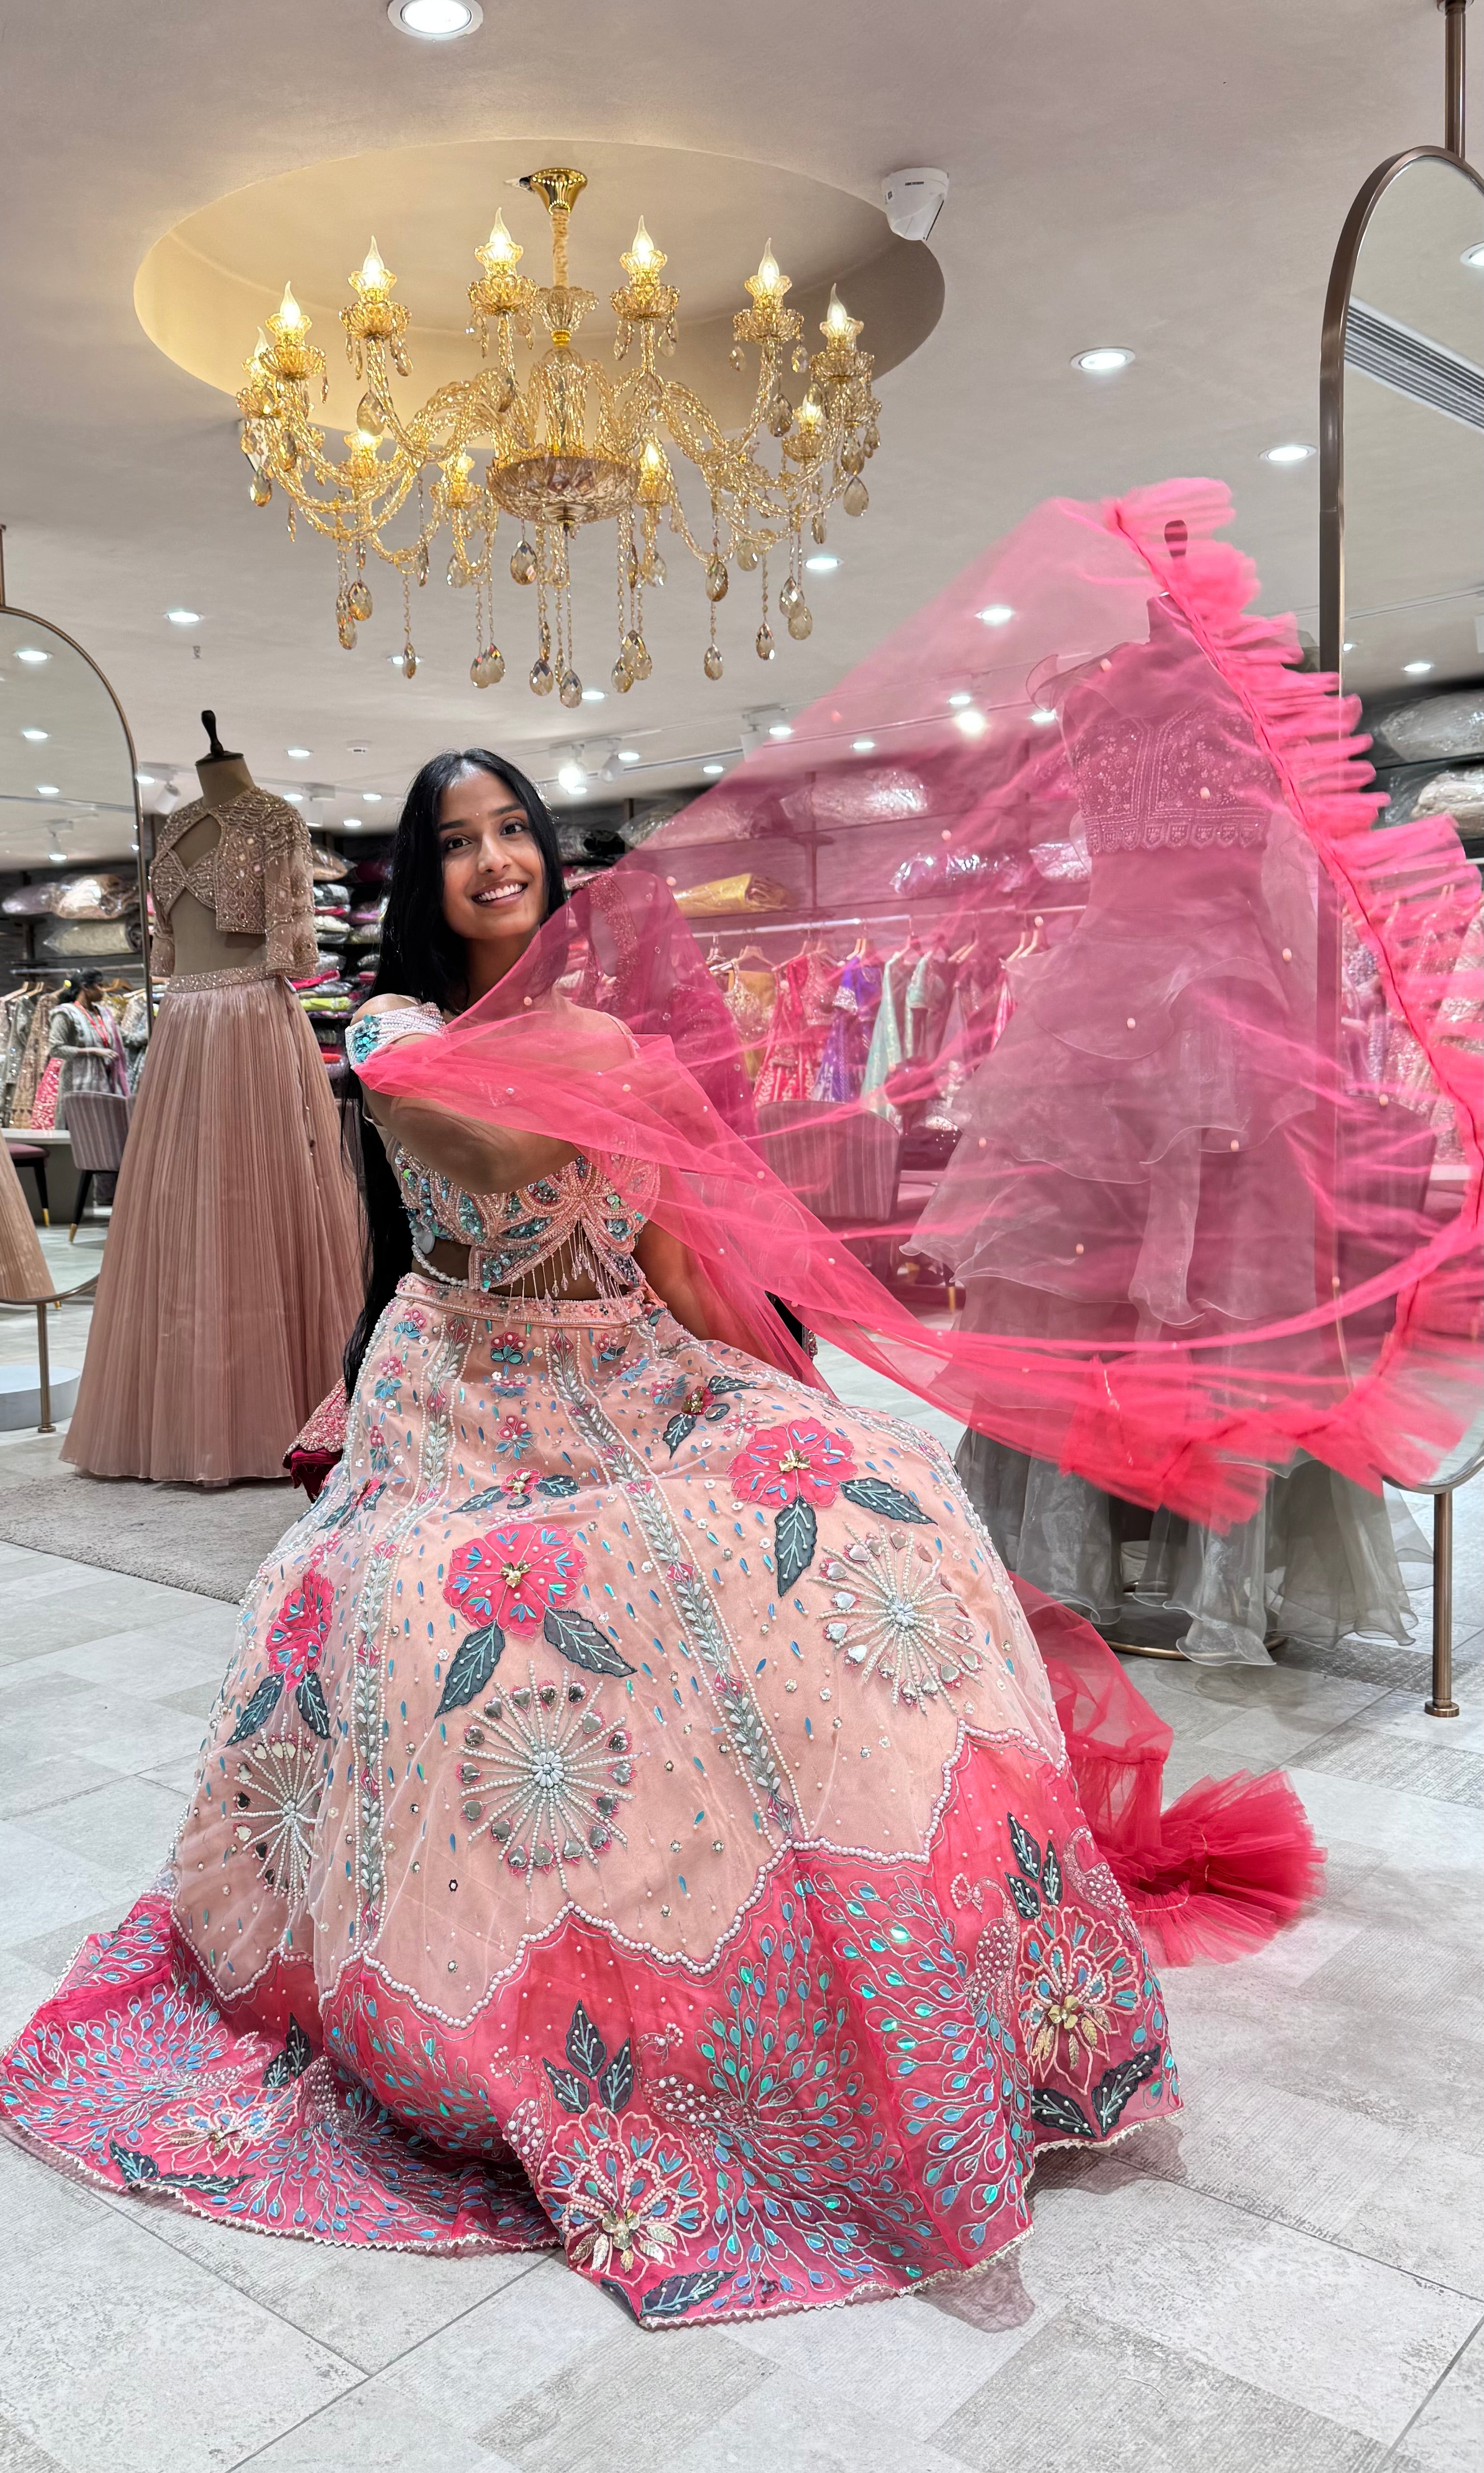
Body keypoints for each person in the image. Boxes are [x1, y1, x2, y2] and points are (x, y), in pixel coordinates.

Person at [0, 741, 1320, 2327]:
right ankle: (571, 2014)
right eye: (458, 843)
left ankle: (872, 1974)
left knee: (870, 1515)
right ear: (419, 879)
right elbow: (487, 1156)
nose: (495, 861)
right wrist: (625, 1072)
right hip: (469, 1396)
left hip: (631, 1365)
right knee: (464, 1621)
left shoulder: (619, 1034)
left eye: (515, 833)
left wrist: (804, 1401)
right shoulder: (396, 1029)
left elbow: (685, 1264)